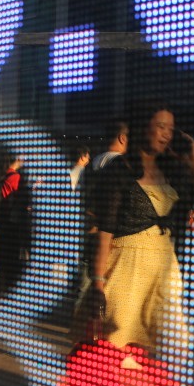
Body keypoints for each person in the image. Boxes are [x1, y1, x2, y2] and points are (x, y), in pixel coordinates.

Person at [91, 105, 194, 363]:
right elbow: (105, 233)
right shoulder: (119, 170)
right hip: (126, 269)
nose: (166, 134)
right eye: (160, 126)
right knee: (118, 354)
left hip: (164, 268)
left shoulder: (172, 170)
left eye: (170, 128)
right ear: (142, 128)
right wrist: (98, 284)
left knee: (174, 346)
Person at [72, 122, 129, 337]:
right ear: (122, 138)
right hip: (111, 235)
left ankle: (83, 332)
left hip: (90, 232)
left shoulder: (94, 162)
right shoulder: (120, 164)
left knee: (87, 285)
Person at [0, 153, 28, 290]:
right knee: (11, 252)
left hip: (0, 217)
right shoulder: (16, 178)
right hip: (11, 221)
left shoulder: (1, 175)